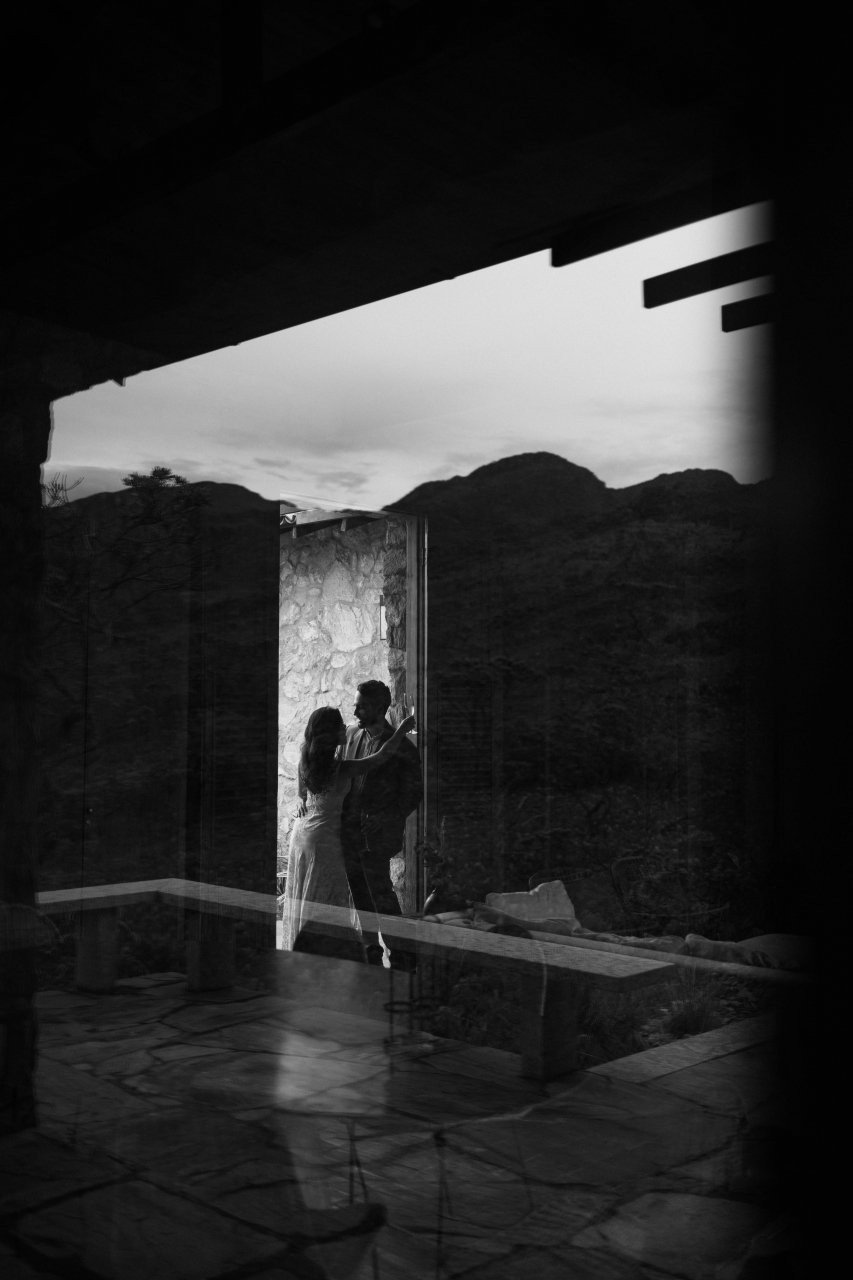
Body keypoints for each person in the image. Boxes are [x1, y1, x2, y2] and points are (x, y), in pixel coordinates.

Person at [282, 705, 415, 958]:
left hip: (303, 835)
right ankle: (330, 956)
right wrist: (402, 730)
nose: (346, 726)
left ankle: (307, 953)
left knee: (310, 896)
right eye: (340, 725)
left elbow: (301, 794)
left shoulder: (305, 760)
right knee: (330, 898)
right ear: (331, 734)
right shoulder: (340, 768)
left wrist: (301, 802)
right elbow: (381, 757)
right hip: (324, 841)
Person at [340, 680, 422, 964]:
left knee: (381, 895)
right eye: (356, 705)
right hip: (350, 833)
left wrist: (385, 818)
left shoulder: (404, 749)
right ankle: (370, 950)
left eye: (362, 706)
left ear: (380, 707)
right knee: (359, 894)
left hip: (378, 835)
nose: (355, 711)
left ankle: (401, 955)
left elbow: (413, 794)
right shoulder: (353, 737)